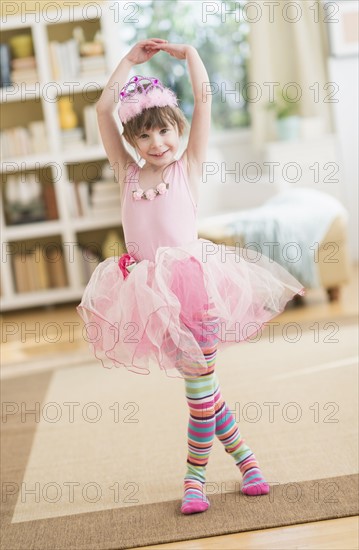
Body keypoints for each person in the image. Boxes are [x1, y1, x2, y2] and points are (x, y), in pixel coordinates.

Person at [77, 39, 305, 515]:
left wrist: (190, 55)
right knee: (205, 388)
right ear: (132, 142)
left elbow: (205, 99)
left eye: (163, 131)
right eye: (143, 136)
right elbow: (102, 111)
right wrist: (129, 63)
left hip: (197, 290)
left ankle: (195, 479)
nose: (156, 143)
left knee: (199, 391)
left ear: (177, 130)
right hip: (150, 299)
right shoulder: (127, 175)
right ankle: (247, 462)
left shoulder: (189, 167)